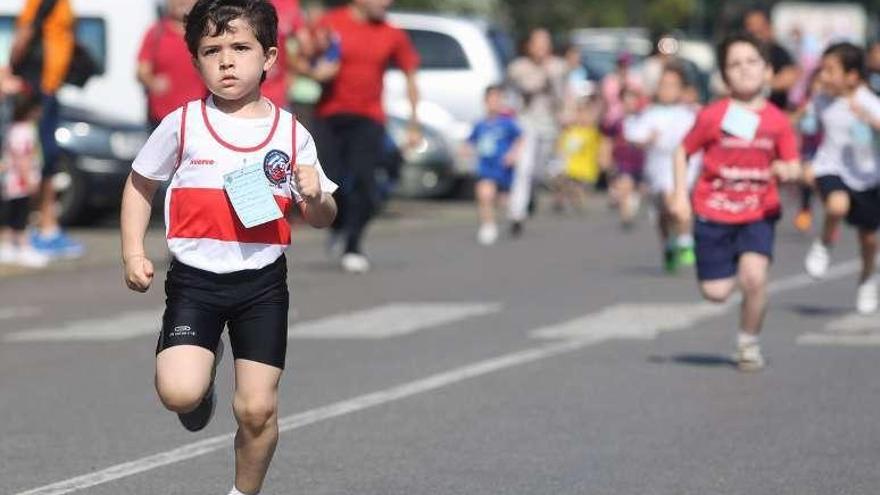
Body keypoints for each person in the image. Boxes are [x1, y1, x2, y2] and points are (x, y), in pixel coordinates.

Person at [119, 2, 337, 494]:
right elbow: (140, 184)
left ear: (270, 57)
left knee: (257, 409)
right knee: (179, 392)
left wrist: (316, 195)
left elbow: (323, 219)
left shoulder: (291, 133)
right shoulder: (183, 123)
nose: (227, 61)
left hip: (261, 284)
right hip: (195, 281)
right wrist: (133, 251)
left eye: (241, 48)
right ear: (196, 62)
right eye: (212, 51)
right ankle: (202, 369)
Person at [671, 33, 801, 372]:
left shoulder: (777, 120)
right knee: (716, 293)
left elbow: (791, 162)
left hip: (758, 211)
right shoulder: (714, 116)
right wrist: (678, 195)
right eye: (734, 64)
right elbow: (682, 151)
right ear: (724, 75)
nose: (744, 70)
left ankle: (748, 342)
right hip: (713, 210)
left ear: (768, 71)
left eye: (751, 62)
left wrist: (787, 169)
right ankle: (718, 267)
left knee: (755, 277)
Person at [304, 0, 420, 273]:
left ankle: (353, 245)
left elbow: (411, 77)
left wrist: (414, 124)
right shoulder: (330, 22)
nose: (387, 3)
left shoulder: (392, 33)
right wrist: (314, 69)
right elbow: (302, 55)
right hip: (329, 115)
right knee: (328, 179)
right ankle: (340, 223)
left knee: (365, 181)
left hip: (368, 118)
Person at [803, 43, 880, 315]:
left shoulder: (869, 101)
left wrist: (870, 119)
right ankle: (824, 244)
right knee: (837, 205)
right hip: (830, 166)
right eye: (822, 70)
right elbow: (806, 126)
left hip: (867, 175)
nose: (823, 76)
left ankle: (868, 278)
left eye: (830, 71)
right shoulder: (822, 98)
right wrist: (805, 161)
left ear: (852, 76)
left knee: (869, 240)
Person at [10, 0, 83, 258]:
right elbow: (24, 32)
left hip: (50, 88)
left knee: (48, 159)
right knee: (38, 158)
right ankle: (28, 230)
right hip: (37, 86)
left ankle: (46, 226)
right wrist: (13, 69)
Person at [624, 64, 697, 272]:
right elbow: (634, 137)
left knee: (675, 200)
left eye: (672, 85)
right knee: (664, 212)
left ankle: (684, 239)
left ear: (681, 89)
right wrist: (647, 139)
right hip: (659, 167)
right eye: (663, 85)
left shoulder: (688, 113)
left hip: (684, 166)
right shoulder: (650, 113)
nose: (667, 90)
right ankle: (668, 245)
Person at [507, 28, 566, 237]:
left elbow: (562, 98)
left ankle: (530, 197)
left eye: (545, 43)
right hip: (526, 122)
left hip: (548, 124)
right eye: (537, 43)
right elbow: (515, 97)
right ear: (528, 46)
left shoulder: (558, 67)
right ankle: (516, 214)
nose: (541, 48)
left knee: (538, 171)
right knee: (524, 168)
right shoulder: (518, 68)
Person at [466, 84, 522, 246]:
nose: (494, 103)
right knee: (484, 194)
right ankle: (488, 226)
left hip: (504, 168)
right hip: (486, 167)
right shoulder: (480, 124)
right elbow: (470, 141)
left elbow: (520, 138)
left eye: (498, 99)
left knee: (504, 201)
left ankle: (515, 216)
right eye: (491, 99)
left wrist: (513, 154)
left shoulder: (507, 124)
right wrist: (466, 150)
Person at [137, 0, 206, 128]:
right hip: (162, 120)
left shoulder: (206, 32)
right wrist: (152, 82)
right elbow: (142, 71)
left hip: (200, 119)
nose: (183, 2)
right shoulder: (155, 33)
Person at [0, 91, 49, 268]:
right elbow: (23, 157)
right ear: (31, 111)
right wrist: (29, 179)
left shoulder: (12, 128)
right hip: (19, 183)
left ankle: (6, 245)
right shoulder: (26, 131)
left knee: (9, 214)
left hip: (9, 182)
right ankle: (23, 246)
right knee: (21, 215)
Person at [552, 95, 604, 214]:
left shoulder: (592, 132)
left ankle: (576, 200)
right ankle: (561, 198)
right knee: (561, 179)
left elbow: (600, 148)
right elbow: (562, 146)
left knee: (576, 186)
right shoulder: (572, 130)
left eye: (586, 114)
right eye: (580, 114)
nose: (582, 117)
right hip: (571, 166)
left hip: (585, 168)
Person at [743, 7, 801, 111]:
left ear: (769, 27)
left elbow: (789, 78)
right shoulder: (741, 53)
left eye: (759, 30)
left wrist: (759, 86)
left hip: (775, 110)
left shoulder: (780, 53)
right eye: (751, 31)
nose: (756, 35)